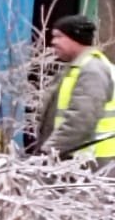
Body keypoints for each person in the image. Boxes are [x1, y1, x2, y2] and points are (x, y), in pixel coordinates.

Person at [32, 14, 115, 161]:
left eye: (58, 36)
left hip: (89, 162)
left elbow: (80, 120)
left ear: (75, 38)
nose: (53, 42)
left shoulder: (91, 70)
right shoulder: (78, 68)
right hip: (77, 158)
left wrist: (47, 151)